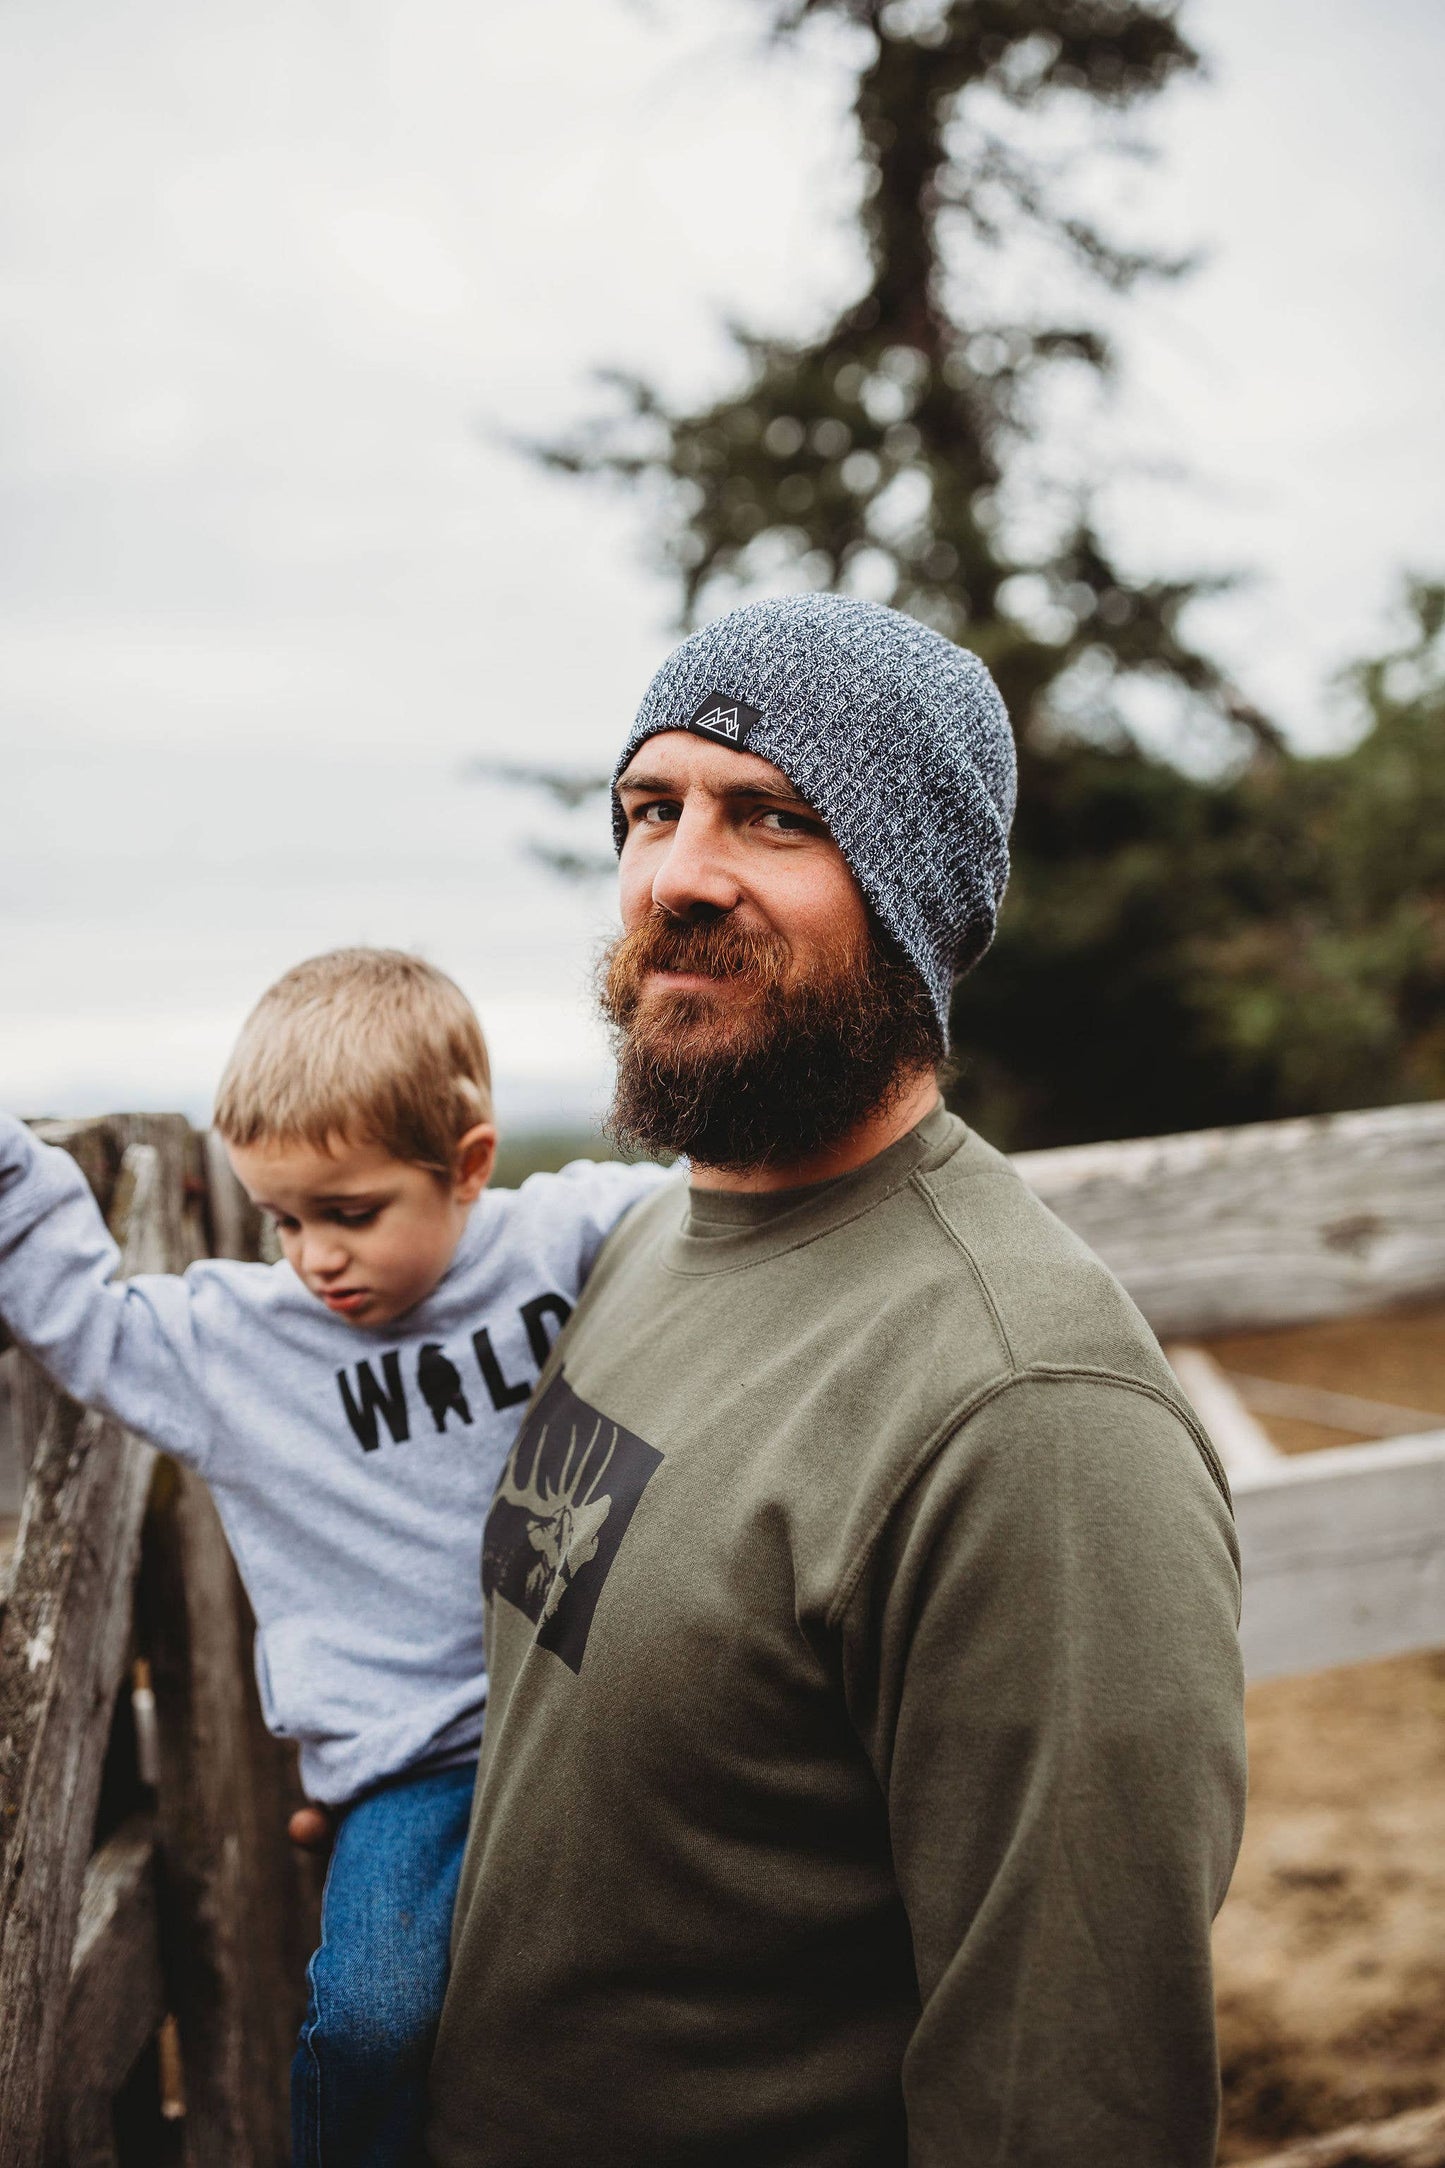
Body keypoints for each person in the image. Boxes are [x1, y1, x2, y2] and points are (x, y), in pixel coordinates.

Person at [426, 593, 1248, 2168]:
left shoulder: (1031, 1416)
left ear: (911, 894)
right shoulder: (649, 1242)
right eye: (649, 809)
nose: (677, 874)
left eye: (774, 818)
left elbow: (1065, 2100)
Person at [0, 947, 666, 2168]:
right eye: (284, 1219)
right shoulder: (241, 1348)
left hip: (592, 1727)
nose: (313, 1256)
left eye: (350, 1212)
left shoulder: (568, 1243)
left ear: (466, 1167)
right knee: (370, 2020)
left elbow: (717, 1211)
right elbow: (85, 1317)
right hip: (405, 1771)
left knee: (629, 2023)